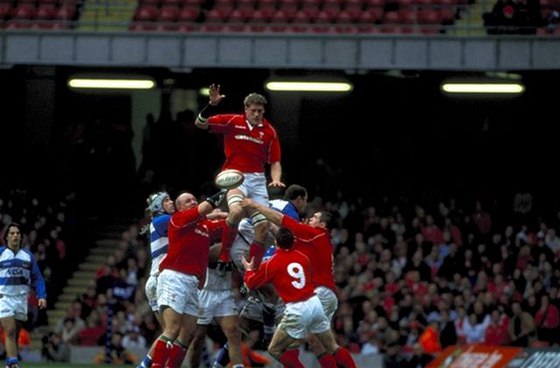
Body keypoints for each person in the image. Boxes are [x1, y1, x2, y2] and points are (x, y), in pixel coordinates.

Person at [241, 198, 352, 367]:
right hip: (322, 295)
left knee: (282, 347)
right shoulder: (311, 242)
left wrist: (255, 205)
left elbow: (282, 220)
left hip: (316, 294)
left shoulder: (315, 234)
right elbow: (283, 233)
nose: (310, 219)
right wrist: (270, 225)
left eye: (315, 217)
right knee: (321, 344)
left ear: (322, 225)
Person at [194, 83, 285, 275]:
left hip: (258, 180)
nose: (257, 114)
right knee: (235, 211)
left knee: (263, 226)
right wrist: (211, 104)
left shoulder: (269, 132)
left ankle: (253, 269)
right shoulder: (232, 122)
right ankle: (225, 256)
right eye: (253, 110)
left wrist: (276, 179)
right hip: (236, 176)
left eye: (260, 111)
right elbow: (200, 123)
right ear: (246, 109)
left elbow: (275, 161)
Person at [149, 188, 227, 368]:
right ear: (179, 208)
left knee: (186, 336)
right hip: (174, 277)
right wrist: (224, 190)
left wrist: (239, 209)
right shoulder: (178, 220)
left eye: (194, 199)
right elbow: (204, 208)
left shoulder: (205, 226)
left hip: (192, 284)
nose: (193, 202)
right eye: (188, 201)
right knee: (172, 330)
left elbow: (229, 223)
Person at [186, 242, 244, 368]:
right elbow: (203, 256)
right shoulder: (208, 230)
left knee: (234, 333)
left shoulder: (235, 236)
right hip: (205, 291)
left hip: (225, 291)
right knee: (198, 338)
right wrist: (225, 247)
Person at [0, 222, 47, 368]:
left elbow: (37, 278)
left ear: (21, 237)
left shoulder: (28, 256)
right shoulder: (1, 254)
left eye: (18, 233)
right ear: (6, 237)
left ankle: (9, 362)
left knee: (15, 334)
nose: (15, 236)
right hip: (4, 298)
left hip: (21, 300)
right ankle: (14, 363)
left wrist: (42, 295)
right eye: (12, 233)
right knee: (10, 330)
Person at [137, 191, 176, 368]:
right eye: (166, 200)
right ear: (158, 207)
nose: (172, 201)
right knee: (173, 332)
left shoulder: (160, 222)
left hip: (155, 281)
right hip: (161, 280)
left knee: (168, 333)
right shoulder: (162, 220)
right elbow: (190, 220)